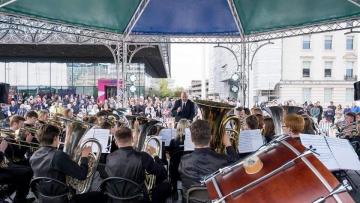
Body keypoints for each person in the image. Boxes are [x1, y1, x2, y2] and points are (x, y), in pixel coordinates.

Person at [29, 124, 105, 203]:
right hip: (64, 199)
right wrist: (84, 157)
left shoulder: (34, 155)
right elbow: (82, 175)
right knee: (100, 196)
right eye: (59, 137)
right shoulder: (58, 155)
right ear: (55, 138)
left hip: (44, 196)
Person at [105, 127, 170, 203]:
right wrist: (155, 155)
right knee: (165, 186)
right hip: (137, 199)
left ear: (116, 142)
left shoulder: (109, 157)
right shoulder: (143, 156)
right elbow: (163, 173)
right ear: (132, 139)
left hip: (115, 199)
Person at [178, 120, 238, 195]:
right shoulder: (222, 159)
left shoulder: (184, 160)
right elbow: (237, 165)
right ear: (211, 138)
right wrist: (228, 144)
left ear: (191, 139)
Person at [168, 119, 190, 200]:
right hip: (188, 171)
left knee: (172, 163)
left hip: (176, 172)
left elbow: (170, 155)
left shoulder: (173, 141)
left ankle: (174, 190)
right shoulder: (192, 142)